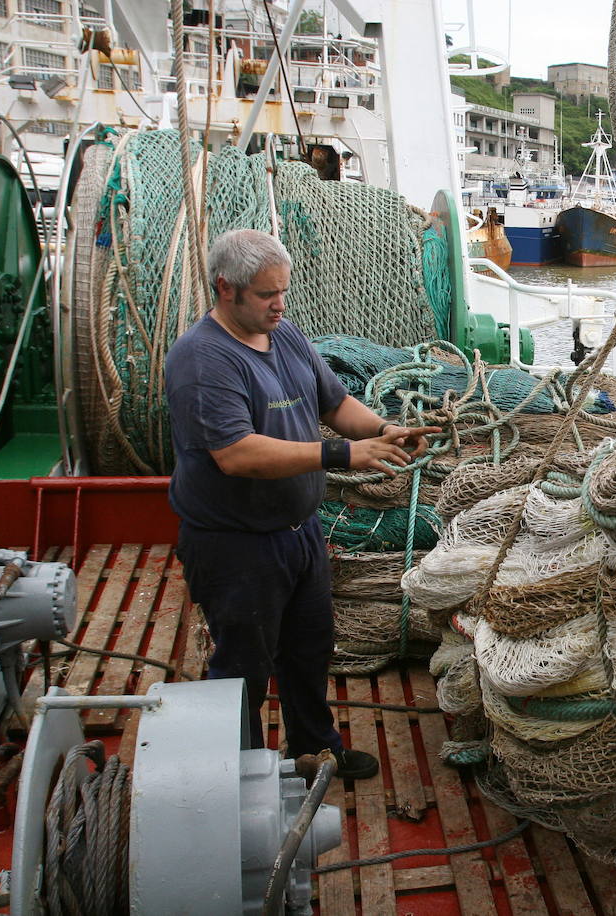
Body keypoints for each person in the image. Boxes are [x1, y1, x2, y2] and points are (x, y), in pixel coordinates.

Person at [165, 229, 439, 780]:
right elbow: (237, 455)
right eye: (267, 294)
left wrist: (386, 429)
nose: (279, 304)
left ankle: (314, 747)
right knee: (243, 664)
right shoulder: (202, 360)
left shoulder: (285, 335)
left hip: (298, 532)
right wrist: (342, 454)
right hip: (235, 542)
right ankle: (236, 775)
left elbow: (335, 404)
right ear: (226, 289)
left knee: (309, 648)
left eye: (283, 291)